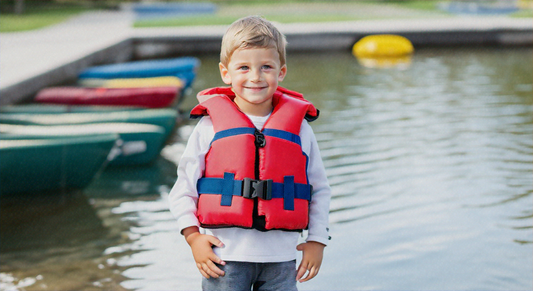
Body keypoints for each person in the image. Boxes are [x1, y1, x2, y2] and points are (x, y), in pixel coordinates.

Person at [168, 15, 331, 291]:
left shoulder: (300, 129)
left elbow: (319, 189)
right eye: (243, 67)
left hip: (282, 261)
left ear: (281, 72)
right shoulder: (209, 126)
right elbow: (183, 187)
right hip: (224, 259)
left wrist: (317, 240)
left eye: (266, 67)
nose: (255, 77)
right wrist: (193, 237)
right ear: (225, 72)